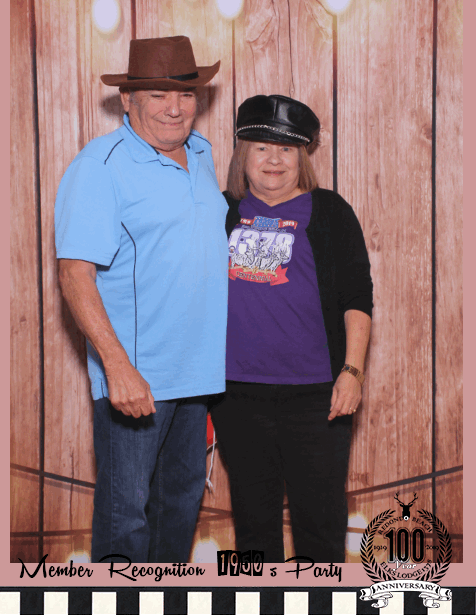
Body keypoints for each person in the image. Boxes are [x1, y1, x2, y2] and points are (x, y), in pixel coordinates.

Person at [54, 36, 228, 564]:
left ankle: (165, 599)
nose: (174, 108)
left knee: (179, 511)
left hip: (196, 375)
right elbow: (75, 274)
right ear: (127, 100)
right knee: (125, 520)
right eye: (157, 94)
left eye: (185, 93)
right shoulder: (100, 165)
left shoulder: (201, 153)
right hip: (138, 378)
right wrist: (117, 368)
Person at [210, 94, 373, 563]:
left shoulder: (330, 212)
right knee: (253, 525)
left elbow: (357, 298)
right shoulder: (220, 211)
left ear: (302, 157)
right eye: (261, 147)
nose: (274, 159)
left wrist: (352, 372)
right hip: (237, 396)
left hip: (317, 398)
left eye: (286, 149)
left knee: (320, 526)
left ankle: (322, 598)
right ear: (243, 155)